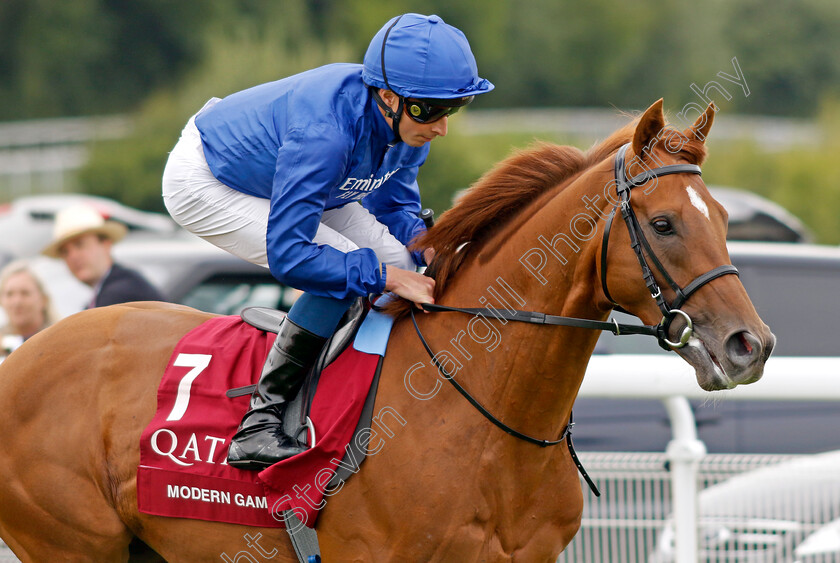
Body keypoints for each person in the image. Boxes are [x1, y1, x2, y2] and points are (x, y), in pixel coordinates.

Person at [162, 13, 494, 470]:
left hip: (304, 177)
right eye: (429, 111)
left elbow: (395, 208)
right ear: (387, 96)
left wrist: (425, 245)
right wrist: (386, 277)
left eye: (451, 109)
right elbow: (291, 254)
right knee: (348, 264)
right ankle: (260, 423)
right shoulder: (327, 134)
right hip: (208, 180)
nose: (441, 127)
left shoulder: (409, 127)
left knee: (400, 258)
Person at [42, 203, 166, 308]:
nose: (73, 256)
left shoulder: (119, 293)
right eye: (65, 252)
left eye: (80, 245)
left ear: (106, 244)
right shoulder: (111, 289)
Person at [0, 260, 59, 357]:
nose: (17, 302)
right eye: (9, 294)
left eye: (25, 293)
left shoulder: (61, 337)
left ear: (43, 299)